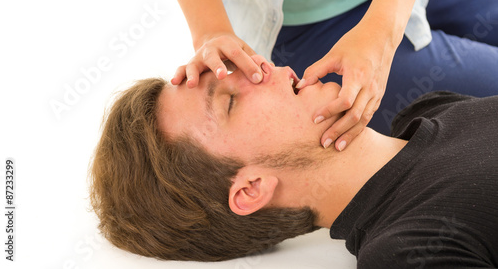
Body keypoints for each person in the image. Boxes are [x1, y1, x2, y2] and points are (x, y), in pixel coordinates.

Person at [89, 56, 498, 267]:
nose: (263, 69)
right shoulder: (407, 251)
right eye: (230, 100)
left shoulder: (431, 109)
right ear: (252, 189)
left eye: (238, 69)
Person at [142, 0, 498, 150]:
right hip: (312, 24)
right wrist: (209, 30)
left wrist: (383, 32)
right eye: (230, 102)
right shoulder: (309, 82)